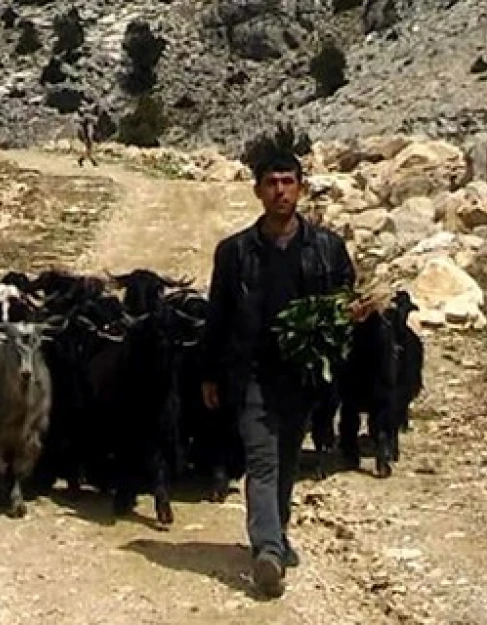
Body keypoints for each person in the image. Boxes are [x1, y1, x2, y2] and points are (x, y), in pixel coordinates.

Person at [199, 133, 362, 598]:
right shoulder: (234, 253)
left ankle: (278, 533)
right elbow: (219, 316)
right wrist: (210, 372)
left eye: (288, 182)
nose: (280, 192)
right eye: (271, 183)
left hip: (304, 375)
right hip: (251, 372)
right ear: (257, 190)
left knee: (288, 457)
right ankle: (267, 550)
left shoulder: (327, 248)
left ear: (301, 188)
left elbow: (342, 305)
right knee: (262, 459)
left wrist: (353, 315)